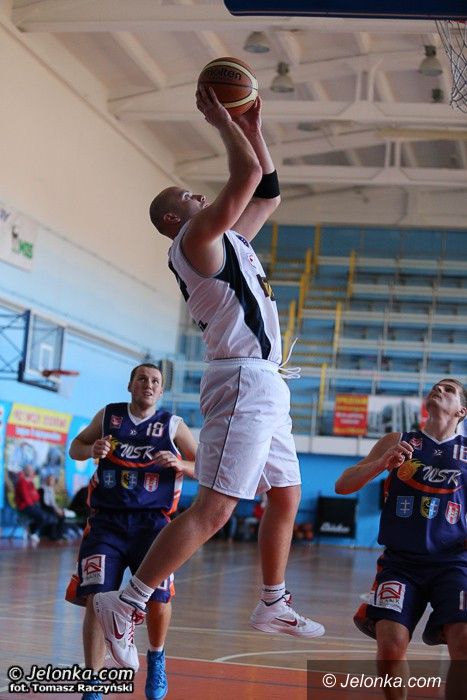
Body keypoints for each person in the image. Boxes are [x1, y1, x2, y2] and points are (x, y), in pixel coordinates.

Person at [92, 85, 324, 672]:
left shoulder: (230, 239)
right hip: (243, 380)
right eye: (188, 196)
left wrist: (255, 126)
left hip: (266, 380)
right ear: (174, 219)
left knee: (287, 494)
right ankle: (127, 603)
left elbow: (267, 190)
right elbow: (246, 175)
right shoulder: (193, 240)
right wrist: (225, 122)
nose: (199, 195)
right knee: (216, 509)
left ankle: (272, 602)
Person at [65, 363, 197, 700]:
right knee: (96, 598)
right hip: (106, 523)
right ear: (130, 385)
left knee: (158, 598)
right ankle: (93, 684)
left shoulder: (173, 425)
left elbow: (205, 466)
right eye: (142, 379)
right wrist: (91, 450)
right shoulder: (109, 416)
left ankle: (156, 658)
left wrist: (181, 464)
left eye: (155, 381)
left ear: (161, 391)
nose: (148, 384)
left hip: (153, 526)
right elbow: (76, 446)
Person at [335, 378, 467, 700]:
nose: (439, 389)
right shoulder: (398, 441)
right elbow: (343, 485)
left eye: (449, 389)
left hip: (454, 563)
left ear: (461, 411)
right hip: (401, 564)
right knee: (390, 648)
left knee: (464, 644)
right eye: (436, 386)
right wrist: (381, 464)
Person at [14, 464, 59, 543]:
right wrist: (32, 497)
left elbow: (36, 497)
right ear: (26, 471)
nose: (32, 472)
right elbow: (26, 497)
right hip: (24, 507)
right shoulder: (22, 482)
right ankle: (32, 531)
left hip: (32, 505)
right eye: (30, 470)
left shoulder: (31, 483)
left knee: (49, 516)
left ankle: (32, 529)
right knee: (43, 516)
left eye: (32, 470)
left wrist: (33, 497)